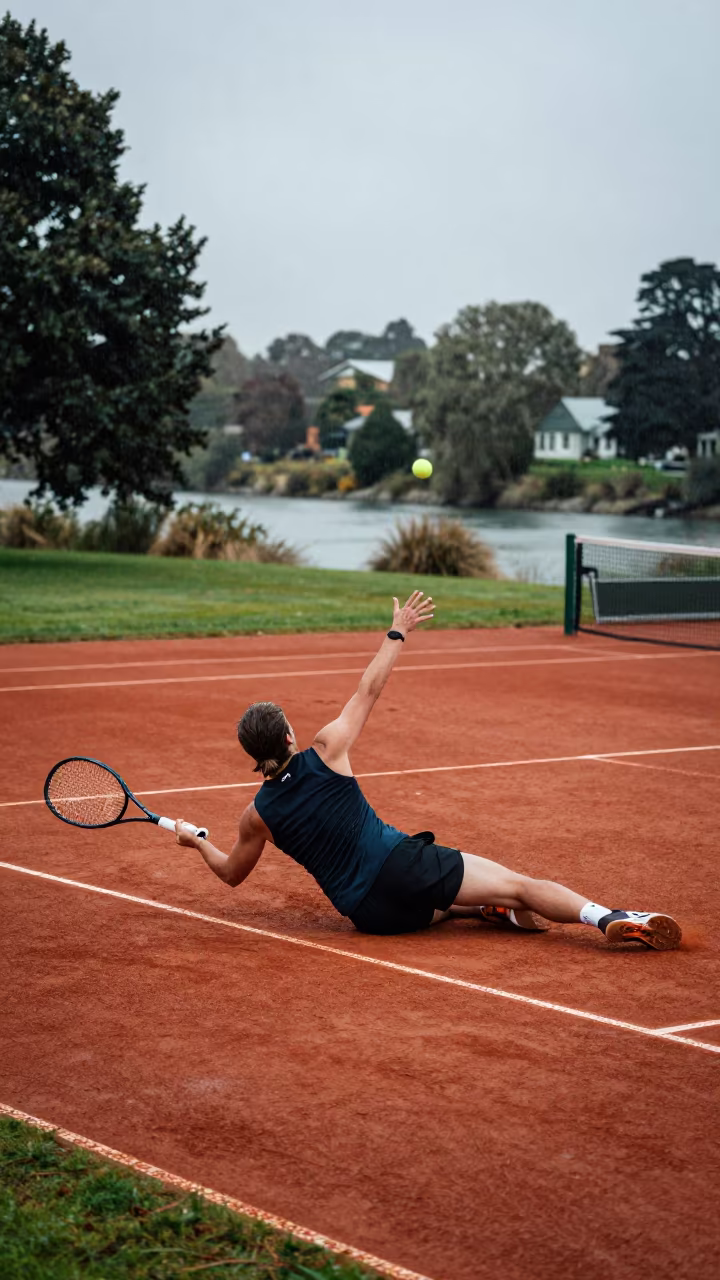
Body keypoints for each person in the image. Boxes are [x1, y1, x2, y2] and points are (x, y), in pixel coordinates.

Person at [175, 591, 682, 950]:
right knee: (520, 884)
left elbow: (231, 875)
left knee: (453, 902)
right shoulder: (326, 749)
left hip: (372, 918)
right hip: (402, 869)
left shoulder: (256, 815)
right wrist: (397, 632)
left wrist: (196, 839)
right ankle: (609, 917)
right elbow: (367, 691)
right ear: (288, 736)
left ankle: (489, 911)